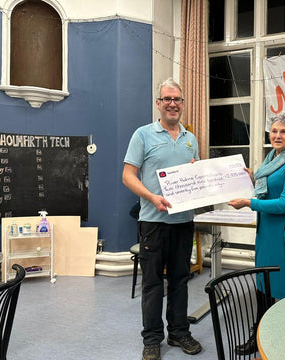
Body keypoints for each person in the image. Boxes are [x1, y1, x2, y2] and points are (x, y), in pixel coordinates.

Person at [122, 78, 202, 360]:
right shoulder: (142, 135)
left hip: (183, 222)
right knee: (153, 283)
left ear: (182, 104)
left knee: (181, 280)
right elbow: (128, 176)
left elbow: (196, 177)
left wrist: (196, 175)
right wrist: (151, 197)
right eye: (167, 99)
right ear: (158, 104)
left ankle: (179, 332)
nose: (172, 104)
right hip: (153, 223)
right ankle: (152, 338)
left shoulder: (190, 139)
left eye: (177, 99)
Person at [228, 113, 285, 354]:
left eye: (283, 131)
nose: (277, 135)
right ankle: (260, 334)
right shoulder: (272, 157)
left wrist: (248, 202)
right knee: (262, 283)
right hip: (267, 232)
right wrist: (252, 176)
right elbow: (270, 188)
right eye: (274, 131)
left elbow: (284, 203)